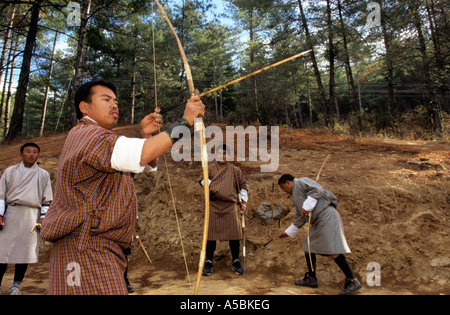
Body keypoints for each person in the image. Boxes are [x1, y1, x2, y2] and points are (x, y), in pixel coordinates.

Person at [40, 79, 204, 295]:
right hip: (85, 247)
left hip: (98, 247)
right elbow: (144, 154)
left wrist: (147, 136)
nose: (114, 105)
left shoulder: (96, 139)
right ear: (84, 107)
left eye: (116, 101)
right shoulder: (88, 135)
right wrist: (185, 121)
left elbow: (146, 162)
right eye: (106, 99)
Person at [278, 174, 362, 295]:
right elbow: (300, 217)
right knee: (308, 247)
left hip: (327, 217)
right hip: (319, 221)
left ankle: (352, 280)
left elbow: (317, 190)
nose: (284, 191)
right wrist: (288, 232)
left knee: (333, 250)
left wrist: (307, 206)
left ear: (287, 183)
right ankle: (312, 279)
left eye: (283, 187)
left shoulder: (300, 182)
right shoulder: (296, 195)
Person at [0, 142, 53, 295]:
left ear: (38, 155)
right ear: (21, 154)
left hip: (31, 215)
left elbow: (46, 199)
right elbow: (1, 195)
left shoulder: (43, 175)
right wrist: (0, 214)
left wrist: (43, 217)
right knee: (2, 251)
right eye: (28, 151)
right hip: (11, 213)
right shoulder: (10, 171)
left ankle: (16, 286)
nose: (31, 154)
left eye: (35, 152)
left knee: (24, 252)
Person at [200, 144, 248, 276]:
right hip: (213, 205)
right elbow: (202, 181)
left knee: (234, 234)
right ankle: (208, 261)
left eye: (225, 153)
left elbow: (243, 186)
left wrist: (243, 202)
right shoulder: (209, 168)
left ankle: (236, 261)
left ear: (229, 155)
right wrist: (211, 187)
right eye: (220, 153)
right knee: (210, 235)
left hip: (231, 205)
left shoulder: (235, 170)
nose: (222, 155)